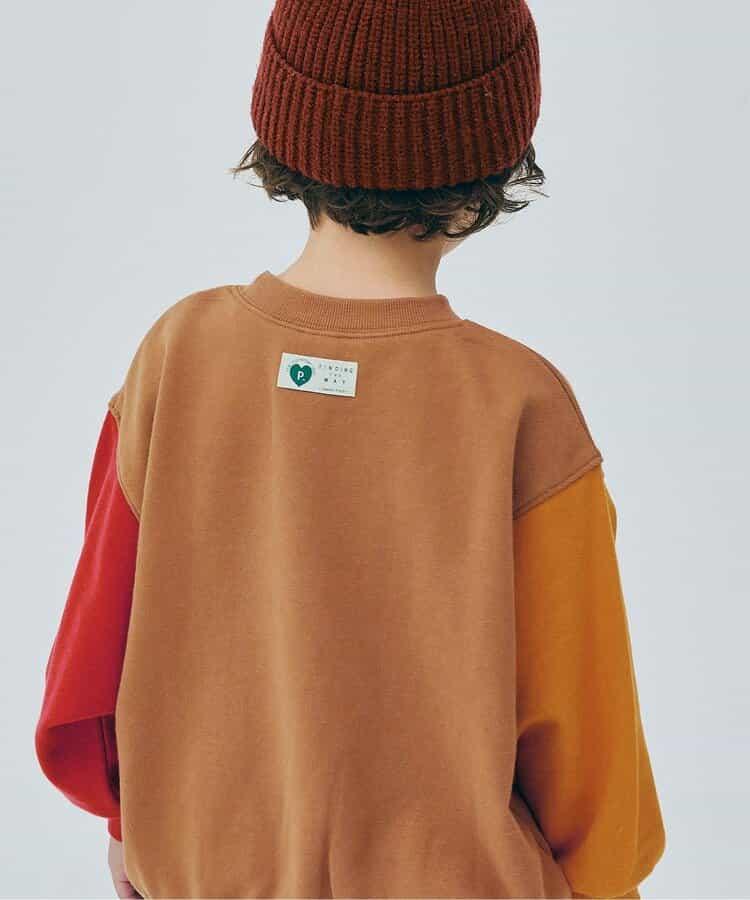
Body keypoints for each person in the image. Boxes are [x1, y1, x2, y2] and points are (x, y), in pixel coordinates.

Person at [34, 1, 666, 897]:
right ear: (498, 146)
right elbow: (587, 751)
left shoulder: (178, 357)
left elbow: (91, 658)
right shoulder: (519, 404)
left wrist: (133, 826)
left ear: (282, 120)